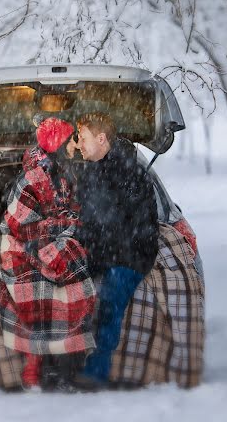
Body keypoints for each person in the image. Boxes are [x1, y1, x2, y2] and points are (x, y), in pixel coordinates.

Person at [0, 117, 96, 390]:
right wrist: (60, 227)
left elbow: (74, 211)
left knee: (77, 291)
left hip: (52, 249)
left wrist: (72, 226)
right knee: (41, 294)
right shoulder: (32, 178)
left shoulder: (65, 173)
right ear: (59, 144)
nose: (76, 145)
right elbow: (16, 226)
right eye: (72, 140)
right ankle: (37, 369)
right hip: (24, 251)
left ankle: (66, 371)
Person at [74, 112, 159, 387]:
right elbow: (90, 220)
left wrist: (93, 253)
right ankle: (59, 362)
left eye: (83, 137)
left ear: (101, 139)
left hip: (129, 256)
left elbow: (124, 225)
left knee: (108, 304)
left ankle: (96, 373)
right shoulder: (93, 171)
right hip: (106, 250)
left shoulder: (126, 171)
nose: (79, 143)